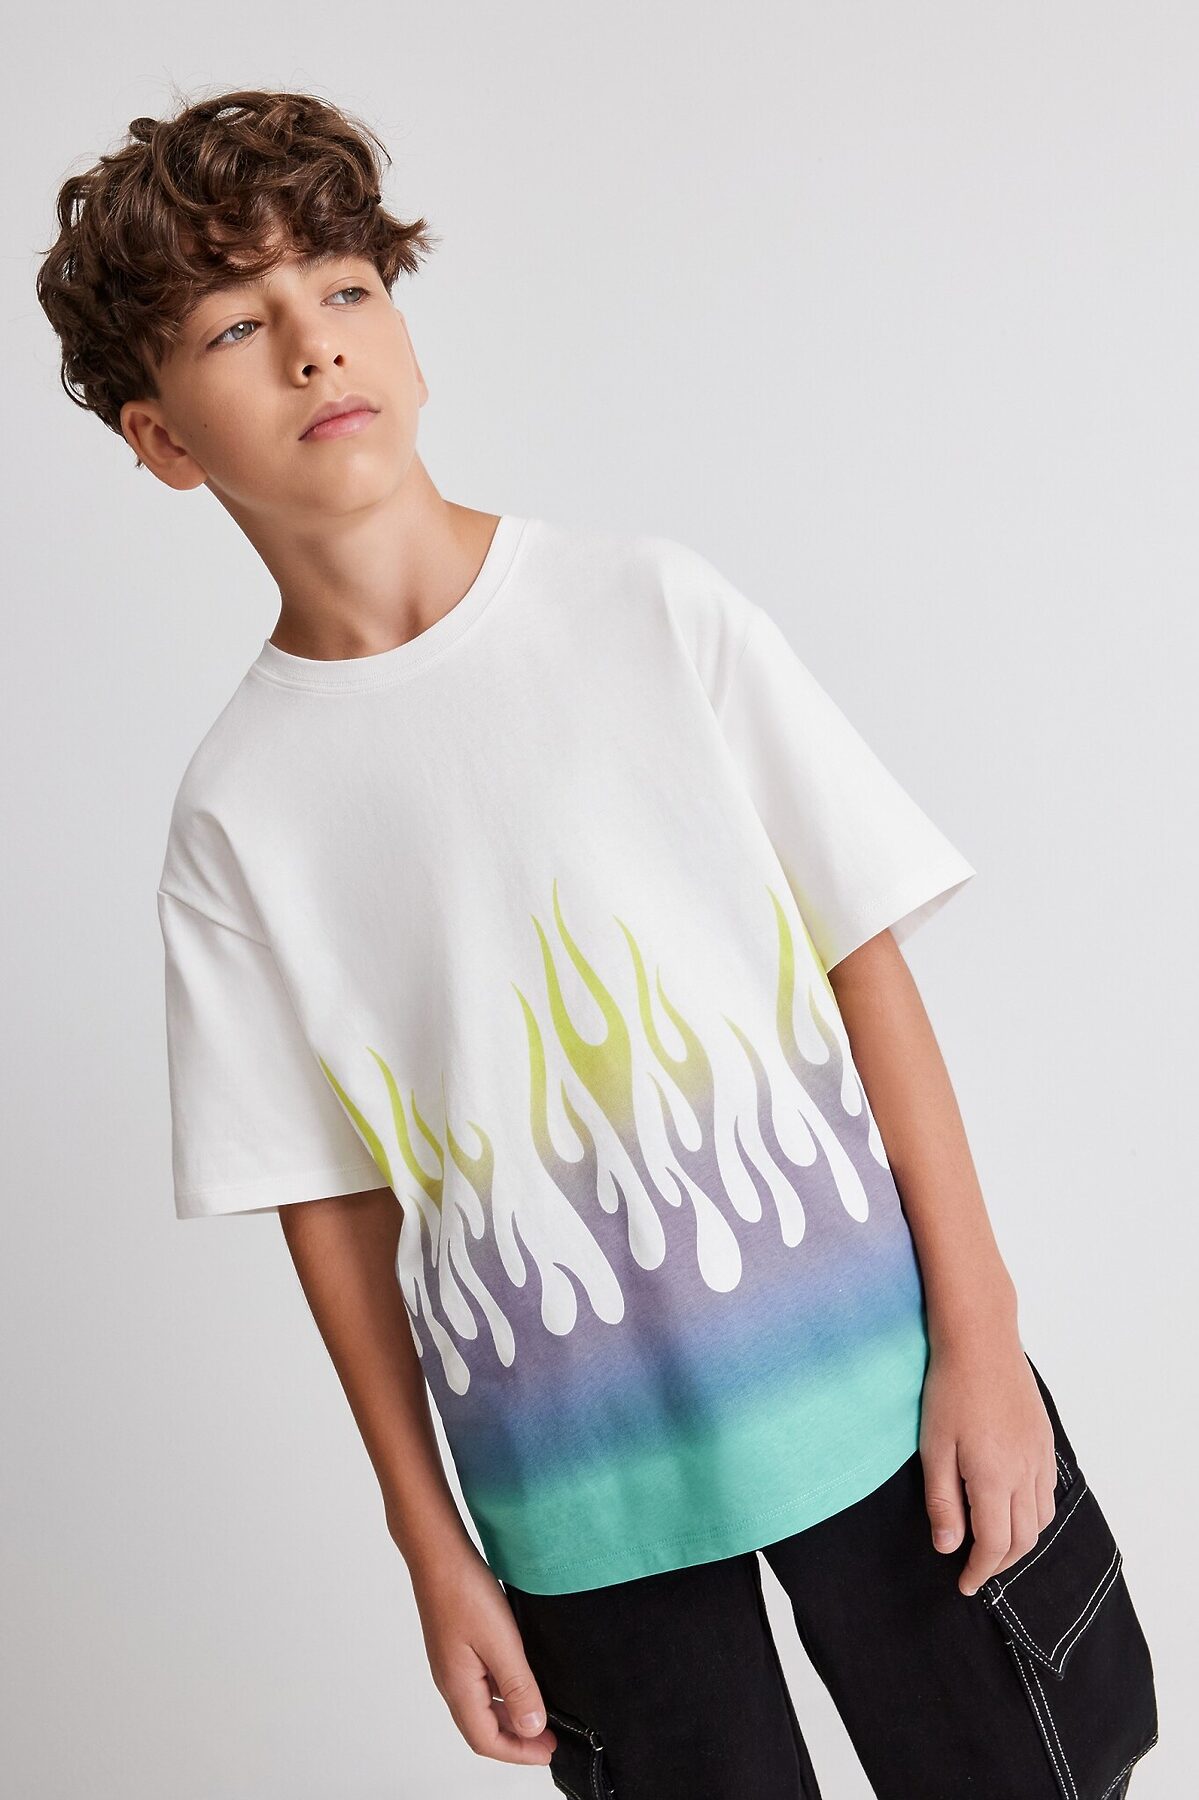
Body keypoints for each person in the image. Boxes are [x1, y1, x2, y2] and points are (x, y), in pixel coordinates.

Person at [37, 86, 1158, 1800]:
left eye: (343, 289)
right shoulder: (238, 814)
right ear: (161, 438)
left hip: (884, 1385)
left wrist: (984, 1337)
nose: (315, 346)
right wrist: (430, 1542)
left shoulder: (646, 609)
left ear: (403, 331)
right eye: (236, 327)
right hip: (572, 1493)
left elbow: (862, 961)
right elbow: (328, 1203)